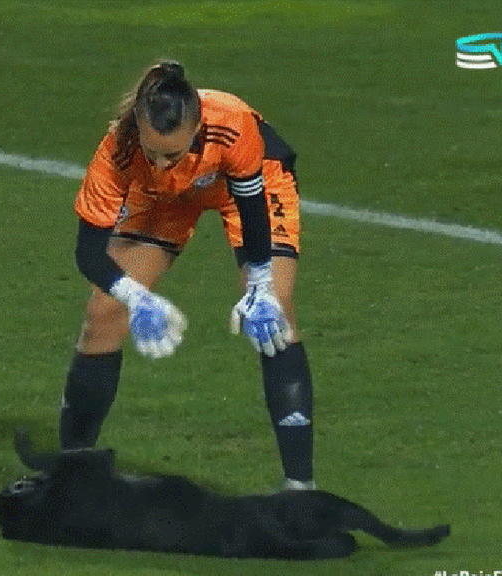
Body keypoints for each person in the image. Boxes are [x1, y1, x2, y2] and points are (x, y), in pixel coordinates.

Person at [58, 60, 316, 490]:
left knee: (275, 318)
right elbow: (88, 254)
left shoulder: (231, 124)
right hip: (164, 198)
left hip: (247, 185)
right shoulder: (119, 151)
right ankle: (70, 477)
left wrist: (260, 287)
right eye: (151, 150)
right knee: (103, 314)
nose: (159, 161)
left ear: (197, 131)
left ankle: (300, 490)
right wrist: (136, 297)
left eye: (171, 154)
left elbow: (252, 210)